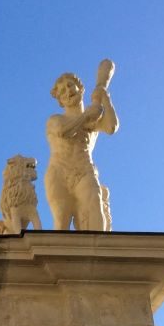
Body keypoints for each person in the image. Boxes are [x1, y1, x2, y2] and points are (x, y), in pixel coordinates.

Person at [44, 67, 118, 230]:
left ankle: (100, 254)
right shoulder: (55, 119)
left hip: (84, 170)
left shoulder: (94, 121)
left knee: (95, 210)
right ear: (61, 102)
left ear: (80, 89)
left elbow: (112, 127)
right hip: (59, 173)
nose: (68, 91)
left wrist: (104, 95)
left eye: (70, 86)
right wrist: (86, 116)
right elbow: (63, 132)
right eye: (62, 91)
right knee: (62, 219)